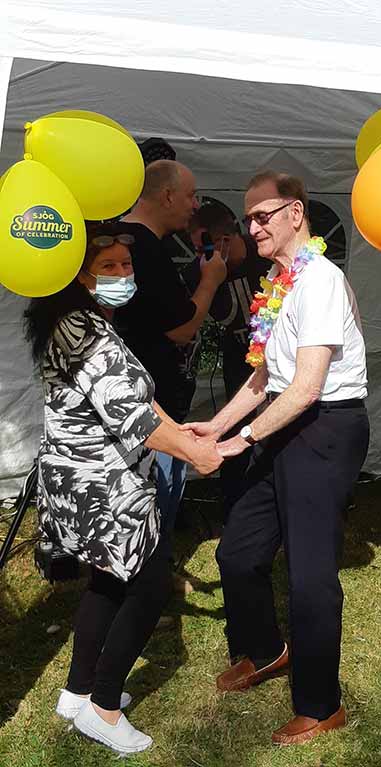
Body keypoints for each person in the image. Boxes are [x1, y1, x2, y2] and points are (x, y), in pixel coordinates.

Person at [24, 223, 222, 754]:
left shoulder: (79, 320)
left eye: (125, 265)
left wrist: (180, 433)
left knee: (109, 582)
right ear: (80, 274)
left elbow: (133, 396)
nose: (121, 274)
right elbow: (130, 416)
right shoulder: (85, 331)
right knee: (150, 585)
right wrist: (198, 452)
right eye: (107, 266)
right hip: (104, 486)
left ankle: (76, 692)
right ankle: (103, 708)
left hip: (83, 481)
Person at [187, 171, 369, 745]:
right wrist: (213, 426)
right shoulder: (278, 279)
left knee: (311, 575)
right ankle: (266, 651)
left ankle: (322, 704)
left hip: (324, 428)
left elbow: (308, 386)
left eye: (263, 215)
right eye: (248, 218)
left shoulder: (321, 280)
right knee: (238, 552)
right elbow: (266, 377)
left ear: (295, 212)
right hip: (283, 419)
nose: (252, 227)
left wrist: (240, 442)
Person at [115, 160, 227, 538]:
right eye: (191, 196)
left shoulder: (128, 239)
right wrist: (211, 281)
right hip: (150, 399)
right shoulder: (142, 247)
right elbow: (181, 329)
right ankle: (149, 577)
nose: (196, 206)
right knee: (152, 499)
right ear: (166, 196)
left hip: (140, 394)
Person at [189, 202, 270, 516]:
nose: (199, 255)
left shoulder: (262, 257)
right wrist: (209, 279)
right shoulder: (201, 271)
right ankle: (235, 504)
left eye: (202, 247)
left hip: (277, 359)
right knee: (237, 425)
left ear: (222, 240)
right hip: (241, 359)